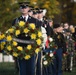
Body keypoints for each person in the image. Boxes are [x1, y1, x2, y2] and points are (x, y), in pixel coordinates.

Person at [12, 2, 41, 75]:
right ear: (20, 9)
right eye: (22, 7)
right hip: (20, 48)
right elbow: (13, 35)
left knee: (31, 70)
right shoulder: (16, 21)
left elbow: (38, 35)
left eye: (25, 7)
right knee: (22, 70)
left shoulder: (35, 21)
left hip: (31, 48)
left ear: (29, 9)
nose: (24, 9)